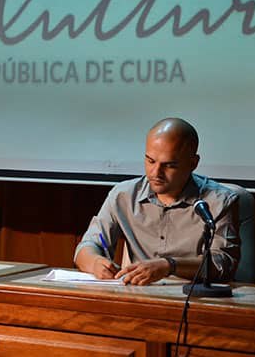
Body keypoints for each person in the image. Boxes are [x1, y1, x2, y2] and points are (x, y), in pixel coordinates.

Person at [74, 117, 240, 286]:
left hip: (196, 298)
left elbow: (223, 264)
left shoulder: (219, 202)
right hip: (141, 297)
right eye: (150, 161)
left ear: (193, 163)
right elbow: (87, 246)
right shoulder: (123, 196)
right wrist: (95, 262)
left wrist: (169, 265)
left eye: (169, 165)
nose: (156, 173)